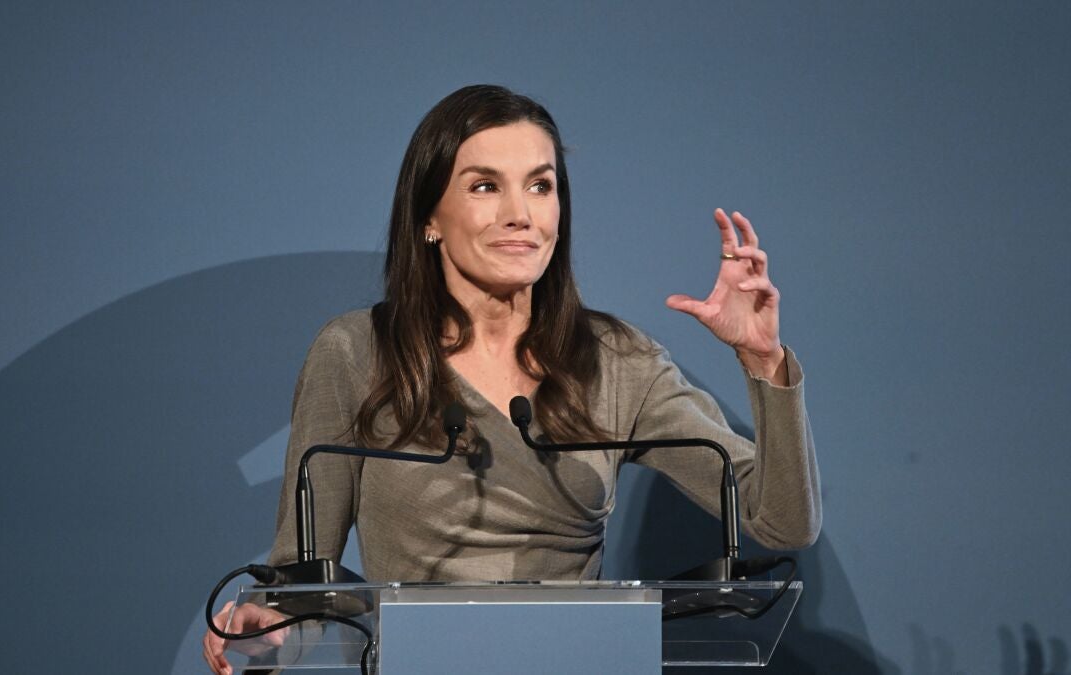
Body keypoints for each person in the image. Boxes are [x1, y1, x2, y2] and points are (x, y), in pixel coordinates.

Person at [203, 84, 821, 674]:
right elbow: (304, 581)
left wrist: (762, 360)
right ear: (430, 216)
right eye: (485, 186)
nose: (520, 214)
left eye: (540, 186)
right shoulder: (356, 353)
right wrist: (267, 628)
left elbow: (782, 522)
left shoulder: (616, 360)